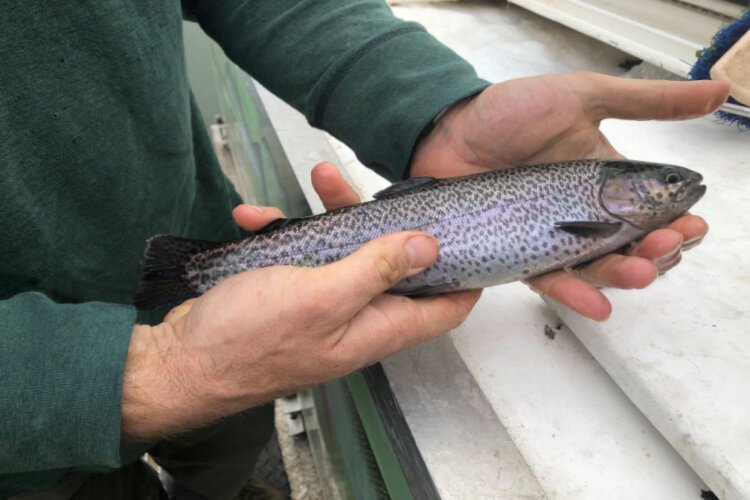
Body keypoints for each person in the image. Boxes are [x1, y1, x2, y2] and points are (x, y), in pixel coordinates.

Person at [0, 1, 728, 499]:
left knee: (224, 445)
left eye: (666, 185)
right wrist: (157, 375)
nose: (674, 189)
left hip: (218, 272)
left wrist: (437, 109)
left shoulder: (599, 212)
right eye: (664, 185)